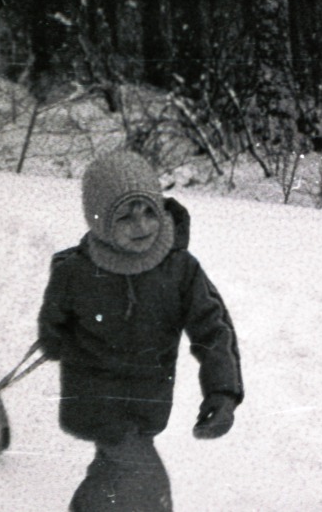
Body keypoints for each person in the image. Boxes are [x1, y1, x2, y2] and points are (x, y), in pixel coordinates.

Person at [39, 149, 243, 512]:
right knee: (149, 488)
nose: (142, 225)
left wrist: (222, 392)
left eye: (149, 211)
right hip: (95, 401)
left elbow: (213, 329)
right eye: (125, 216)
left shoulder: (179, 269)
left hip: (147, 403)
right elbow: (53, 322)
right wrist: (54, 340)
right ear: (101, 221)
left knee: (111, 475)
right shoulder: (76, 271)